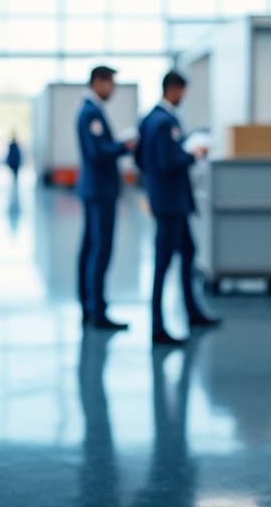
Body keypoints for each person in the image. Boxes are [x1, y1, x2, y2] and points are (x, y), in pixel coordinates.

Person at [136, 71, 220, 346]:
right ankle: (157, 327)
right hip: (170, 202)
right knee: (163, 263)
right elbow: (166, 160)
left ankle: (193, 312)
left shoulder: (148, 119)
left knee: (188, 252)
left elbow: (141, 158)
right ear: (173, 90)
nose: (183, 97)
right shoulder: (163, 121)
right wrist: (191, 154)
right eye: (182, 92)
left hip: (168, 200)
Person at [76, 66, 135, 330]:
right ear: (98, 82)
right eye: (111, 83)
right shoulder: (91, 113)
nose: (113, 89)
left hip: (95, 190)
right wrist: (124, 146)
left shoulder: (91, 111)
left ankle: (90, 306)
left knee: (91, 248)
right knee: (100, 250)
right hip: (100, 191)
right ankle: (96, 310)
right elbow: (99, 152)